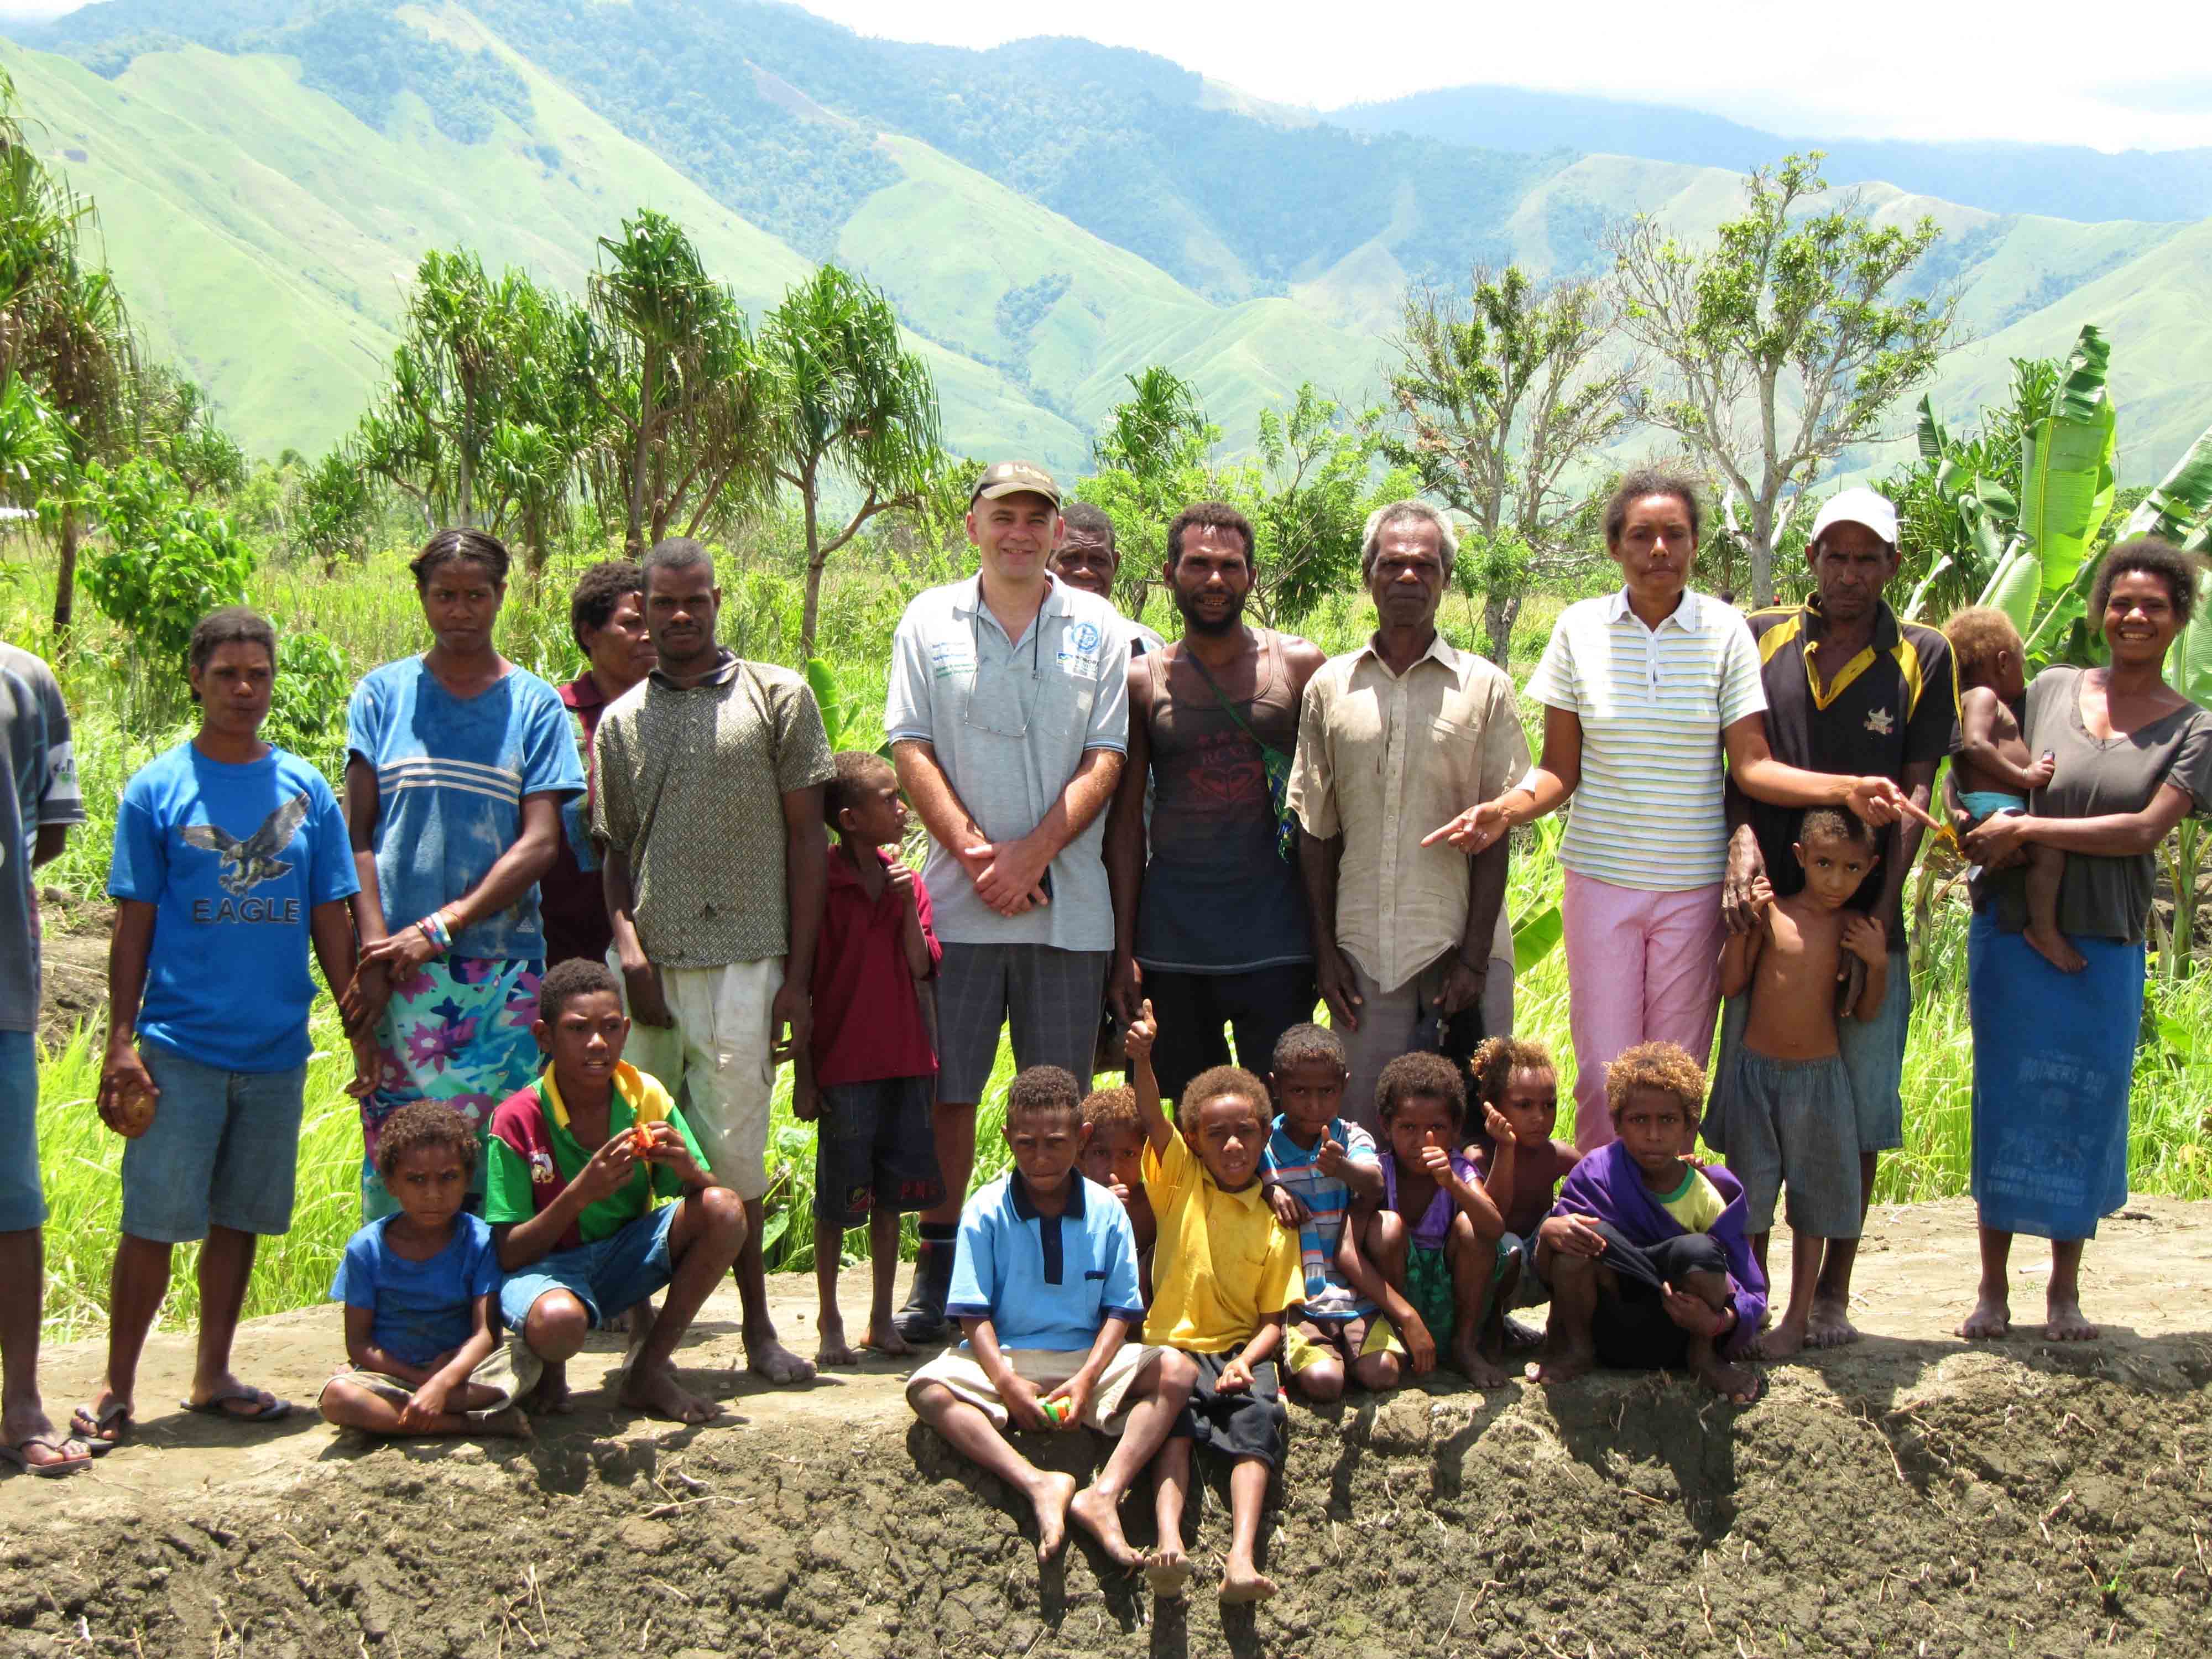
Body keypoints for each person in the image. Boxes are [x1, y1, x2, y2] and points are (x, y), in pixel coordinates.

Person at [1428, 470, 1912, 1152]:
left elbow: (1749, 765)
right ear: (1615, 547)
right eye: (1641, 535)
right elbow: (1558, 769)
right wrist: (1506, 809)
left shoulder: (1724, 633)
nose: (1659, 548)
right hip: (1601, 881)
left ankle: (1668, 1238)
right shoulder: (1578, 629)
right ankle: (1602, 1229)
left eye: (1674, 534)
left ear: (1694, 544)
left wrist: (1842, 790)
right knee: (1603, 1074)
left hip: (1693, 888)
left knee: (1676, 1077)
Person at [76, 608, 364, 1451]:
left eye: (260, 674)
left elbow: (330, 918)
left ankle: (212, 1373)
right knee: (153, 1223)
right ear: (197, 679)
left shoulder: (306, 790)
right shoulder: (157, 789)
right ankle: (116, 1385)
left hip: (275, 1048)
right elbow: (131, 924)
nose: (246, 689)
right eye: (229, 673)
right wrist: (121, 1039)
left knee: (239, 1219)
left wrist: (358, 1032)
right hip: (180, 1045)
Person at [884, 461, 1130, 1341]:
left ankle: (1052, 1280)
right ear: (973, 525)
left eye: (1037, 517)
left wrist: (1030, 858)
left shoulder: (1099, 626)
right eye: (1003, 516)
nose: (1019, 531)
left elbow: (1106, 759)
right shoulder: (928, 619)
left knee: (1056, 1098)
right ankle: (941, 1271)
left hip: (1067, 911)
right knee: (948, 1093)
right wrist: (979, 855)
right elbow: (908, 745)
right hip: (958, 903)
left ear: (1058, 532)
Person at [1955, 538, 2212, 1343]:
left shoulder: (2193, 729)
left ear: (2178, 621)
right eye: (2122, 601)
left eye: (2155, 606)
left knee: (2083, 1104)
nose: (2134, 616)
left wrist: (2029, 822)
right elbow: (1985, 752)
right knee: (2005, 1103)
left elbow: (2141, 830)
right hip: (2009, 931)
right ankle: (1992, 1289)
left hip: (2104, 939)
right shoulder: (2054, 688)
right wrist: (1971, 819)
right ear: (2102, 609)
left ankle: (2063, 1291)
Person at [1715, 485, 1955, 1344]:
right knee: (1755, 1103)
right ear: (1812, 557)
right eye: (1836, 555)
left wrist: (1880, 917)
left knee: (1853, 1107)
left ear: (1893, 565)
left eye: (1868, 558)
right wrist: (1742, 845)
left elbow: (1924, 782)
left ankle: (1832, 1298)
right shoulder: (1757, 633)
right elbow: (1735, 762)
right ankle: (1752, 1293)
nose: (1850, 574)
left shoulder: (1924, 652)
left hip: (1862, 917)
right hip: (1766, 917)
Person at [593, 536, 832, 1386]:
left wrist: (797, 980)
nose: (681, 617)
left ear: (718, 600)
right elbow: (616, 857)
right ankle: (636, 1327)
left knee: (736, 1161)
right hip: (650, 970)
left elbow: (810, 843)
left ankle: (758, 1331)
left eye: (696, 600)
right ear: (646, 612)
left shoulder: (779, 697)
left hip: (748, 960)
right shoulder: (620, 723)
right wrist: (633, 956)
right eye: (664, 605)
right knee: (634, 1153)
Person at [343, 529, 583, 1217]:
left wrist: (440, 927)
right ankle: (404, 1307)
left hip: (501, 969)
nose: (460, 611)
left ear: (501, 597)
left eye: (476, 595)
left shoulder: (534, 705)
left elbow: (539, 844)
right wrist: (379, 949)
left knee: (493, 1156)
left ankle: (489, 1305)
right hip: (399, 970)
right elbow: (358, 837)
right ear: (422, 598)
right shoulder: (382, 695)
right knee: (402, 1157)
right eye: (444, 595)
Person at [1288, 500, 1528, 1125]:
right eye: (1391, 563)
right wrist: (1325, 952)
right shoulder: (1329, 688)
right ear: (1368, 574)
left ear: (1446, 578)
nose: (1407, 578)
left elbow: (1497, 827)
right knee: (1367, 1126)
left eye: (1424, 565)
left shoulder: (1485, 686)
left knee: (1474, 1126)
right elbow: (1315, 831)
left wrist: (1474, 957)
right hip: (1361, 953)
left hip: (1457, 949)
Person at [906, 1065, 1195, 1573]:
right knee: (926, 1390)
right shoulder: (985, 1210)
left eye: (1056, 1143)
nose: (1040, 1158)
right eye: (1026, 1143)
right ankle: (1037, 1482)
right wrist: (1006, 1381)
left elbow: (1119, 1313)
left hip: (1088, 1360)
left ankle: (1104, 1494)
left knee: (1177, 1371)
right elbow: (974, 1315)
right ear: (1007, 1139)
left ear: (1082, 1140)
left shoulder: (1107, 1211)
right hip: (1009, 1357)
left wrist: (1086, 1379)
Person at [1106, 502, 1326, 1098]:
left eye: (1230, 566)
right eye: (1198, 564)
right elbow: (1126, 825)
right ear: (1168, 571)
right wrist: (1125, 951)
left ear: (1251, 576)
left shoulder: (1299, 667)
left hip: (1277, 938)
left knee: (1279, 1117)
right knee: (1180, 1116)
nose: (1214, 580)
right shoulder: (1143, 681)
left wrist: (1327, 944)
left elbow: (1328, 817)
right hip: (1173, 940)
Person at [486, 958, 749, 1422]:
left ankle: (646, 1372)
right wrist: (580, 1193)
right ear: (545, 1037)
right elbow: (509, 1254)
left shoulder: (643, 1096)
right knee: (558, 1324)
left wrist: (689, 1169)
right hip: (547, 1269)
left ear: (626, 1031)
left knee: (725, 1209)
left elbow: (709, 1203)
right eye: (578, 1029)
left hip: (621, 1264)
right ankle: (547, 1365)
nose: (597, 1043)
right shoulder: (518, 1117)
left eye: (610, 1027)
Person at [1122, 1004, 1301, 1604]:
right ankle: (1169, 1542)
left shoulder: (1275, 1220)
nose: (1232, 1144)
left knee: (1258, 1423)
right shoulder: (1179, 1183)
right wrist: (1143, 1059)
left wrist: (1246, 1360)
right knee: (1170, 1427)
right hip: (1173, 1346)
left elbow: (1275, 1320)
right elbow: (1151, 1117)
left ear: (1263, 1134)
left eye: (1246, 1132)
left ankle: (1241, 1558)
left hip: (1238, 1354)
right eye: (1216, 1133)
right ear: (1193, 1139)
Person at [1715, 809, 1891, 1359]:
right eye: (1823, 864)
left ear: (1871, 869)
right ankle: (1752, 1302)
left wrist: (1877, 962)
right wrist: (1747, 928)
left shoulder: (1856, 930)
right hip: (1756, 1076)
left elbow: (1864, 1013)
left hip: (1820, 1084)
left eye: (1851, 868)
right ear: (1798, 858)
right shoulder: (1775, 916)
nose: (1836, 880)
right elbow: (1731, 982)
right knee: (1752, 1200)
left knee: (1813, 1203)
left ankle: (1798, 1316)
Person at [795, 751, 945, 1366]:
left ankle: (881, 1317)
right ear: (850, 819)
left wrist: (906, 903)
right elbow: (801, 987)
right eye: (889, 799)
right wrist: (805, 1074)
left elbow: (920, 967)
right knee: (838, 1201)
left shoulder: (908, 883)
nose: (902, 809)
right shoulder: (819, 886)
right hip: (844, 1065)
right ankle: (829, 1317)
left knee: (892, 1200)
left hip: (905, 1060)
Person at [1531, 1042, 1764, 1405]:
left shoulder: (1704, 1195)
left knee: (1700, 1251)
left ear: (1689, 1124)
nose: (1653, 1134)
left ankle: (1706, 1361)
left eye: (1668, 1121)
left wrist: (1717, 1324)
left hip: (1681, 1332)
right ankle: (1577, 1352)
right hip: (1607, 1330)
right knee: (1581, 1236)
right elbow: (1550, 1272)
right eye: (1639, 1120)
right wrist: (1548, 1232)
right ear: (1617, 1122)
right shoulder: (1596, 1174)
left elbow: (1747, 1287)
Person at [319, 1100, 534, 1440]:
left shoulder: (480, 1242)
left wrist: (444, 1380)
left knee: (524, 1360)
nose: (433, 1194)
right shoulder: (367, 1249)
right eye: (416, 1180)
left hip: (463, 1373)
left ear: (467, 1179)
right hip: (394, 1374)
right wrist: (425, 1383)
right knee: (337, 1397)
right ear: (391, 1184)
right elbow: (359, 1344)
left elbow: (485, 1335)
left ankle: (393, 1419)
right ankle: (469, 1423)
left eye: (448, 1178)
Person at [0, 639, 86, 1477]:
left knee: (12, 1198)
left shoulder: (25, 678)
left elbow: (50, 830)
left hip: (1, 989)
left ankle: (20, 1398)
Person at [1349, 1052, 1510, 1385]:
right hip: (1398, 1308)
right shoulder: (1379, 1174)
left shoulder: (1459, 1169)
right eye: (1408, 1127)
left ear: (1455, 1131)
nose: (1423, 1141)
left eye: (1436, 1127)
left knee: (1473, 1226)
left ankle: (1465, 1346)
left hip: (1452, 1302)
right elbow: (1348, 1251)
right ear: (1385, 1126)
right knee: (1387, 1227)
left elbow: (1494, 1229)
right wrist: (1406, 1318)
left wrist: (1452, 1183)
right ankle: (1401, 1342)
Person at [1257, 1023, 1399, 1402]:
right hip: (1299, 1298)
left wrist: (1342, 1169)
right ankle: (1309, 1347)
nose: (1314, 1105)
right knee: (1325, 1384)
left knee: (1383, 1373)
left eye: (1327, 1092)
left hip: (1355, 1294)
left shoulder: (1352, 1138)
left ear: (1345, 1086)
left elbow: (1374, 1184)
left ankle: (1355, 1343)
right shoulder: (1263, 1146)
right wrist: (1270, 1189)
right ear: (1275, 1087)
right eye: (1299, 1091)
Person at [540, 560, 655, 969]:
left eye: (652, 621)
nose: (648, 636)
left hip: (665, 941)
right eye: (631, 624)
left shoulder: (682, 714)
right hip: (566, 940)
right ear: (589, 633)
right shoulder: (551, 715)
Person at [1945, 606, 2071, 971]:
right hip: (1997, 804)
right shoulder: (1984, 697)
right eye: (2021, 662)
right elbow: (1975, 746)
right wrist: (2026, 776)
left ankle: (1985, 873)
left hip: (1984, 803)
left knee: (2012, 859)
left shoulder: (1963, 700)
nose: (2024, 672)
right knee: (2049, 854)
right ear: (2003, 662)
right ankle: (2044, 930)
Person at [1466, 1036, 1577, 1323]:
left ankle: (1563, 1330)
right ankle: (1492, 1328)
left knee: (1572, 1229)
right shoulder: (1479, 1157)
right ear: (1491, 1107)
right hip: (1500, 1260)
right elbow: (1491, 1219)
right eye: (1524, 1105)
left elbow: (1606, 1181)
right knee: (1509, 1244)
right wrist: (1506, 1147)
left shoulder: (1557, 1156)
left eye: (1549, 1105)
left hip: (1540, 1261)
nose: (1540, 1117)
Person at [1049, 501, 1164, 656]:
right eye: (1070, 558)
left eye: (1098, 560)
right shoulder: (1020, 641)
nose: (1084, 572)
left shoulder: (1144, 650)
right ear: (1047, 560)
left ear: (1115, 564)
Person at [1078, 1083, 1154, 1296]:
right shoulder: (1073, 1198)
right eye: (1101, 1153)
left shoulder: (1153, 1203)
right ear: (1081, 1154)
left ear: (1146, 1155)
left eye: (1128, 1154)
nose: (1114, 1167)